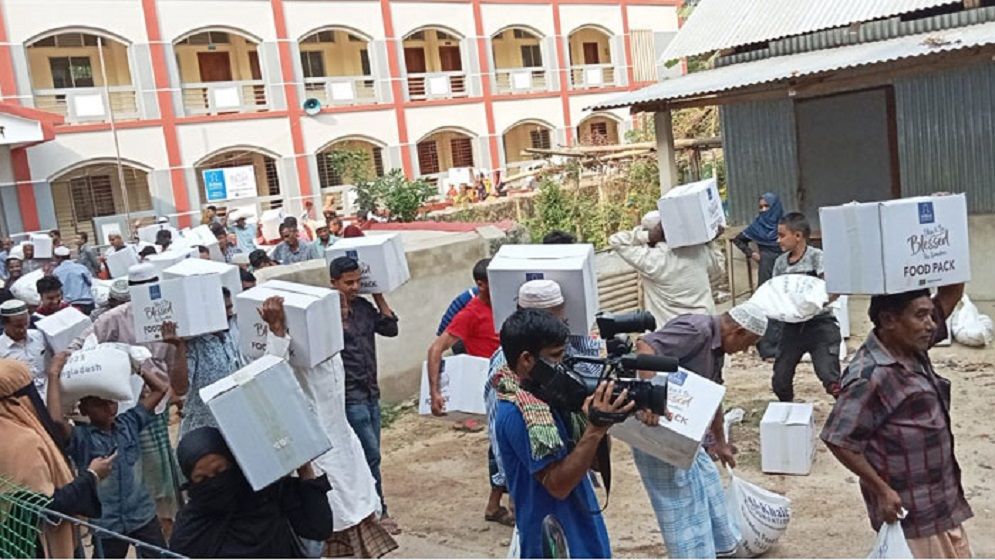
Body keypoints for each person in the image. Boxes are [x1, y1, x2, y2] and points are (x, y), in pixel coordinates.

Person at [821, 284, 972, 558]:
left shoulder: (911, 344)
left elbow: (950, 294)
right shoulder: (870, 374)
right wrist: (882, 490)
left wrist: (942, 251)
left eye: (931, 316)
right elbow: (838, 438)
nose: (931, 324)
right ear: (889, 320)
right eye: (922, 316)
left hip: (941, 502)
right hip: (911, 513)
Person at [256, 297, 398, 557]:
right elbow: (269, 377)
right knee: (327, 528)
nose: (344, 314)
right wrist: (277, 331)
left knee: (358, 519)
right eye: (339, 310)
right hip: (319, 459)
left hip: (344, 448)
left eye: (344, 310)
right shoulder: (289, 353)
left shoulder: (333, 350)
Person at [631, 302, 769, 558]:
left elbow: (712, 396)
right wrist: (651, 398)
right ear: (737, 331)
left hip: (685, 429)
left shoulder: (716, 349)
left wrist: (721, 442)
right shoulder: (696, 329)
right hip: (656, 428)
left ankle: (720, 549)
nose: (744, 351)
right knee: (680, 502)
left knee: (707, 484)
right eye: (748, 343)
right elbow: (645, 346)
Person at [494, 308, 627, 558]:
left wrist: (600, 422)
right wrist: (595, 429)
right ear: (526, 360)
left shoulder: (551, 398)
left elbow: (596, 464)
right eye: (555, 356)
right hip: (554, 544)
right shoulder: (518, 412)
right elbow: (558, 485)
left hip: (582, 535)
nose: (562, 364)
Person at [70, 263, 186, 537]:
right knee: (128, 475)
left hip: (154, 408)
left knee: (160, 480)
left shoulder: (171, 317)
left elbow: (174, 370)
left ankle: (163, 530)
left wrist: (177, 350)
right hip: (121, 411)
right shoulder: (113, 319)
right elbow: (79, 347)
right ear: (133, 291)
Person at [46, 349, 171, 558]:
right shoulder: (81, 439)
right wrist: (53, 374)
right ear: (83, 410)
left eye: (111, 401)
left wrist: (137, 367)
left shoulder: (129, 423)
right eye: (98, 404)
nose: (108, 408)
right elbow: (57, 421)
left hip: (142, 516)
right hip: (107, 525)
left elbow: (160, 389)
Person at [425, 259, 509, 525]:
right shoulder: (471, 313)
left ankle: (495, 505)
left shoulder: (507, 305)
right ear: (480, 284)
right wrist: (435, 391)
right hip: (493, 389)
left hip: (513, 385)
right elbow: (435, 349)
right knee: (503, 446)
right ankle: (510, 507)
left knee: (503, 445)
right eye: (493, 283)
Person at [0, 359, 112, 558]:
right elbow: (45, 507)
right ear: (16, 400)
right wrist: (92, 475)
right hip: (37, 546)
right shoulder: (24, 443)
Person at [169, 426, 333, 557]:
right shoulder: (191, 529)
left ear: (234, 462)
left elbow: (319, 527)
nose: (215, 483)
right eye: (202, 479)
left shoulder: (268, 493)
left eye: (221, 471)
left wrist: (304, 467)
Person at [331, 256, 400, 534]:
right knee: (368, 455)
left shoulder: (363, 307)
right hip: (349, 397)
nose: (355, 286)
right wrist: (340, 315)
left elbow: (391, 329)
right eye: (348, 283)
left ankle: (373, 508)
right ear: (333, 282)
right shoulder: (326, 315)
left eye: (358, 281)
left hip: (371, 392)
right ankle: (377, 511)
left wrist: (379, 293)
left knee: (372, 455)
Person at [770, 212, 842, 401]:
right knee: (780, 379)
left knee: (830, 376)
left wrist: (814, 305)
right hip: (792, 327)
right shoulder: (779, 264)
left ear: (798, 236)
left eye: (782, 235)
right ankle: (788, 413)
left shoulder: (817, 258)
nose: (778, 240)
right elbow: (774, 292)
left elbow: (833, 289)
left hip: (820, 325)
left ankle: (847, 411)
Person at [609, 211, 724, 326]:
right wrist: (709, 239)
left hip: (670, 334)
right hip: (706, 326)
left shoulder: (652, 260)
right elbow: (719, 270)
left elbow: (616, 241)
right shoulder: (699, 251)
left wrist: (647, 236)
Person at [171, 286, 245, 436]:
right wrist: (179, 347)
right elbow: (180, 388)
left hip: (232, 426)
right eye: (225, 309)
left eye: (230, 307)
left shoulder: (228, 337)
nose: (230, 313)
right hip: (203, 432)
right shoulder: (194, 345)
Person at [732, 193, 784, 359]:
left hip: (784, 266)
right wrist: (752, 254)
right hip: (766, 265)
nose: (763, 210)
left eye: (766, 206)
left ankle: (785, 344)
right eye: (760, 207)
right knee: (768, 303)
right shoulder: (758, 225)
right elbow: (738, 240)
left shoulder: (785, 224)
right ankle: (767, 346)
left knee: (784, 302)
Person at [0, 299, 48, 398]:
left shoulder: (40, 336)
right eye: (17, 326)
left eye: (25, 324)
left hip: (47, 393)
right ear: (5, 324)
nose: (22, 329)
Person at [52, 246, 95, 315]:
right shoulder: (82, 268)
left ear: (58, 258)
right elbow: (90, 283)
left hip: (70, 306)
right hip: (87, 303)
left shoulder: (56, 272)